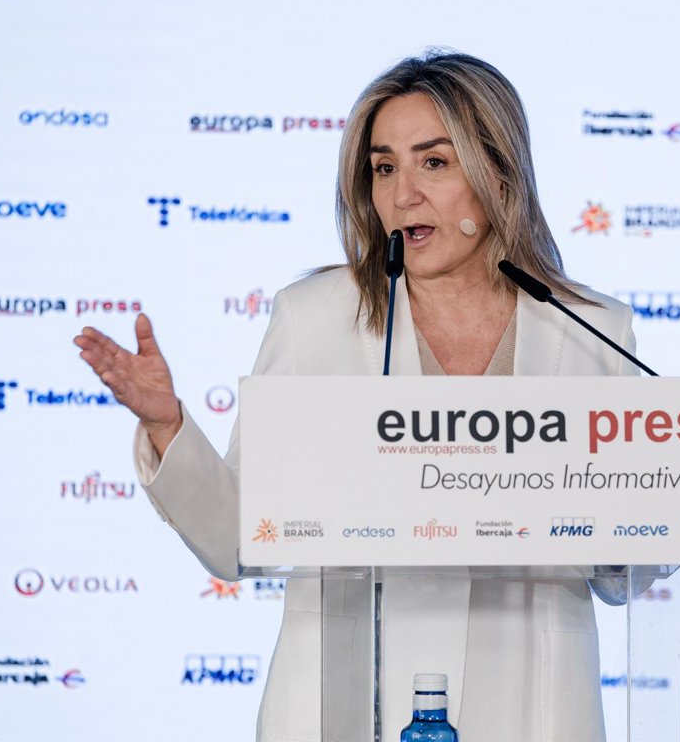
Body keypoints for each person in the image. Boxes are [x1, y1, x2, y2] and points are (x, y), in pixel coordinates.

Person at [74, 51, 641, 742]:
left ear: (498, 173)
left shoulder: (590, 329)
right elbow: (238, 538)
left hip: (531, 704)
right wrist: (168, 427)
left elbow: (629, 568)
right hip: (345, 703)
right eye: (383, 168)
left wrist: (655, 505)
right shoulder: (313, 318)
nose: (403, 195)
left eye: (434, 162)